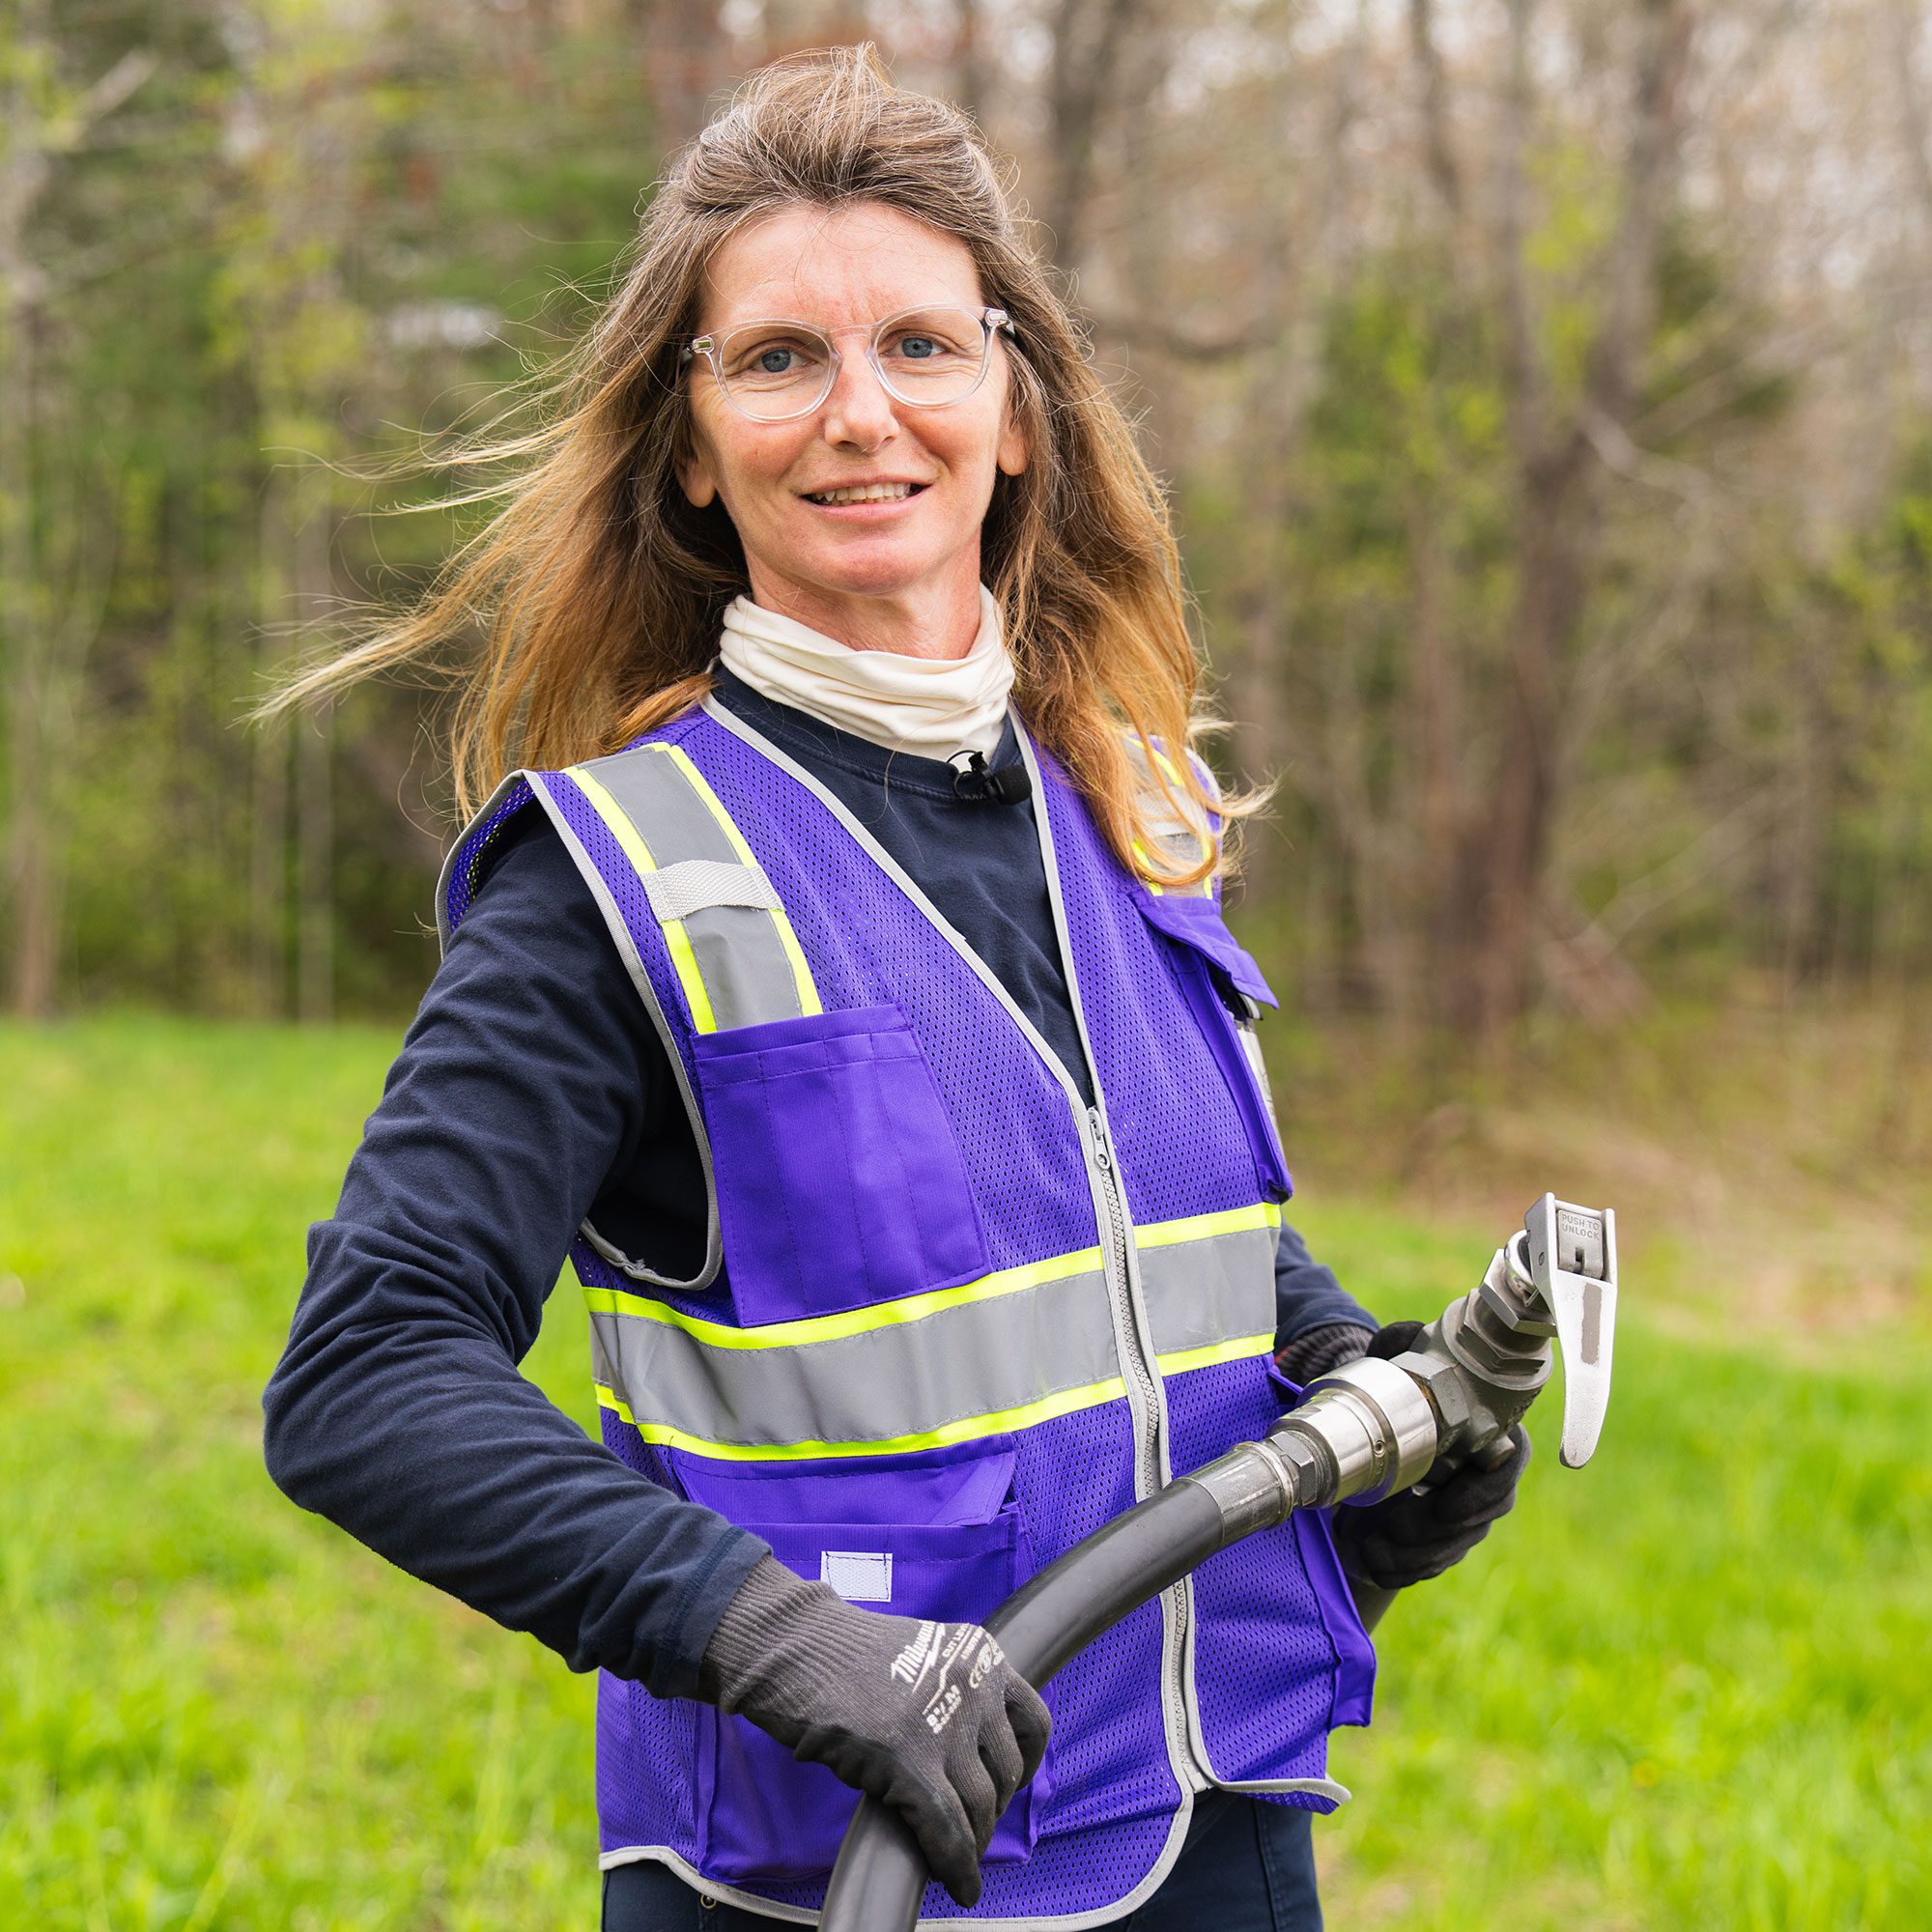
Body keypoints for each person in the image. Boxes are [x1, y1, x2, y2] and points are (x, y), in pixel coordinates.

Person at [261, 43, 1527, 1931]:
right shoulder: (615, 877)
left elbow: (1136, 1240)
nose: (861, 413)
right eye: (778, 358)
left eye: (922, 346)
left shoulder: (1137, 802)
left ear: (1015, 402)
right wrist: (770, 1636)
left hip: (1213, 1835)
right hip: (832, 1868)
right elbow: (364, 1375)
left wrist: (1357, 1395)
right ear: (692, 443)